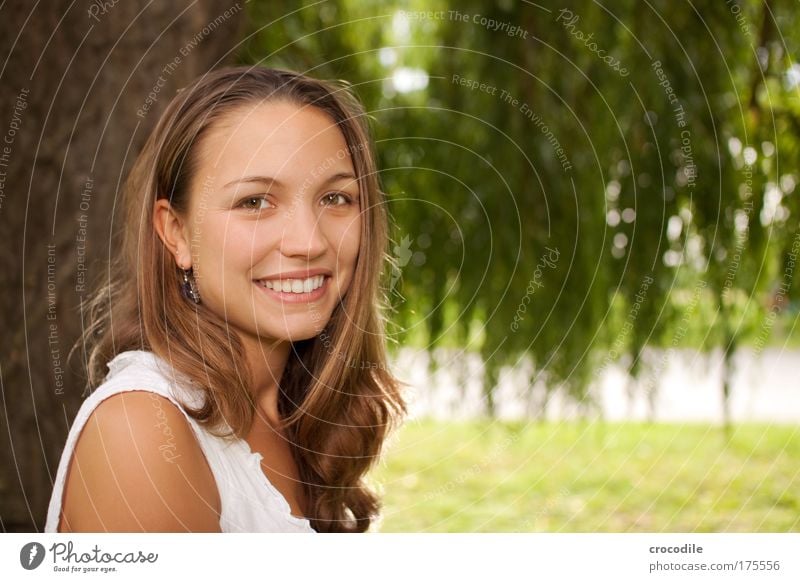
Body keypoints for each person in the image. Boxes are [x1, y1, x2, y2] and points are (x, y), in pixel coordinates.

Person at [45, 66, 407, 533]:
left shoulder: (297, 415)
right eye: (254, 202)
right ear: (176, 233)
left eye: (335, 197)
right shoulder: (142, 430)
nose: (308, 242)